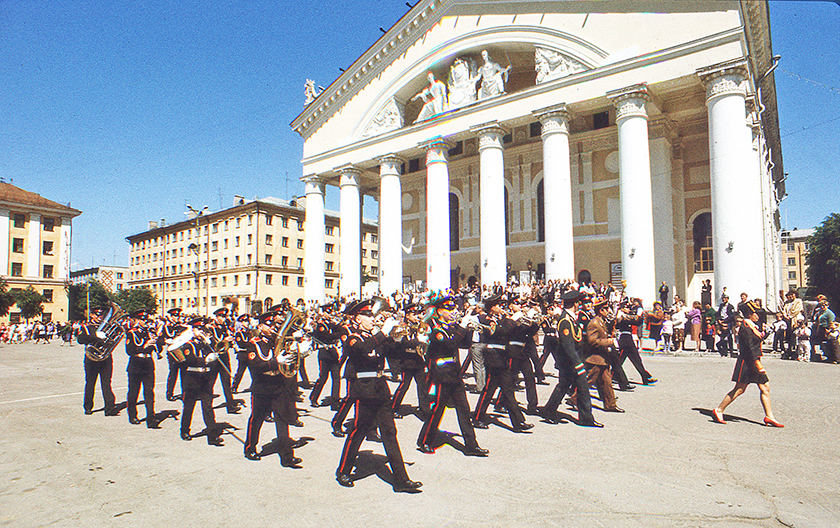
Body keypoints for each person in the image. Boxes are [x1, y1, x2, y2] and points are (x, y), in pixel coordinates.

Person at [335, 299, 422, 493]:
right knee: (358, 431)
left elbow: (393, 353)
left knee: (390, 433)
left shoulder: (375, 336)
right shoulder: (353, 337)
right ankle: (343, 470)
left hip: (380, 389)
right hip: (363, 390)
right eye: (368, 316)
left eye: (372, 315)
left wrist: (399, 339)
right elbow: (360, 351)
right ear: (358, 318)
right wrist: (382, 333)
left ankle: (401, 480)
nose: (372, 319)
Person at [416, 293, 489, 456]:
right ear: (440, 311)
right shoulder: (436, 330)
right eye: (449, 309)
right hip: (442, 374)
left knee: (464, 409)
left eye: (453, 308)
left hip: (455, 373)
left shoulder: (451, 327)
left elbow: (463, 343)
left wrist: (469, 329)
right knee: (438, 409)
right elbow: (450, 344)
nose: (453, 311)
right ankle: (425, 440)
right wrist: (462, 327)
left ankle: (471, 445)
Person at [242, 311, 301, 467]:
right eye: (269, 324)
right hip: (262, 386)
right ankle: (250, 448)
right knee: (257, 418)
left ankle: (287, 457)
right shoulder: (254, 343)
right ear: (261, 326)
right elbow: (256, 366)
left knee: (282, 420)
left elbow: (289, 361)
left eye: (275, 324)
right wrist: (277, 361)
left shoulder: (278, 341)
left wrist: (298, 352)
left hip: (278, 384)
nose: (274, 326)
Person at [711, 302, 783, 428]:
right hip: (748, 362)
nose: (758, 316)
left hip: (754, 360)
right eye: (756, 313)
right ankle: (719, 409)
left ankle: (769, 416)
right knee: (740, 389)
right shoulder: (745, 327)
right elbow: (749, 348)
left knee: (765, 387)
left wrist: (766, 333)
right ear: (750, 314)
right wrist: (757, 364)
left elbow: (757, 340)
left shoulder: (751, 325)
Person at [540, 289, 602, 427]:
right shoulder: (565, 321)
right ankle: (586, 418)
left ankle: (548, 411)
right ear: (575, 304)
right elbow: (568, 345)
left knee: (563, 387)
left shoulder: (570, 319)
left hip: (572, 361)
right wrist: (577, 364)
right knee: (582, 388)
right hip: (570, 362)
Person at [77, 306, 118, 416]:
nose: (100, 317)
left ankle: (109, 408)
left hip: (106, 359)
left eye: (101, 315)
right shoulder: (86, 327)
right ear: (92, 315)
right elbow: (80, 340)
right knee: (90, 383)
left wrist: (108, 337)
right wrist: (95, 336)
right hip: (91, 359)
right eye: (97, 315)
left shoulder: (107, 327)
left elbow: (113, 340)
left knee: (106, 383)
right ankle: (88, 407)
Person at [583, 299, 623, 413]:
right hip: (596, 358)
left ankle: (610, 405)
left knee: (607, 382)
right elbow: (592, 341)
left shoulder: (601, 321)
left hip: (602, 358)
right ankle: (575, 399)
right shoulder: (594, 323)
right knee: (589, 381)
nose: (608, 311)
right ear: (600, 310)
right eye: (605, 309)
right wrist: (609, 342)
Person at [124, 309, 159, 428]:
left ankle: (151, 417)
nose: (145, 322)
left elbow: (158, 348)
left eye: (146, 319)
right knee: (134, 391)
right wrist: (145, 346)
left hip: (148, 362)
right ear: (137, 320)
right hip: (136, 364)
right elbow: (130, 351)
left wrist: (157, 343)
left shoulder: (150, 331)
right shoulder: (132, 333)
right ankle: (132, 415)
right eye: (142, 319)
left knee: (149, 391)